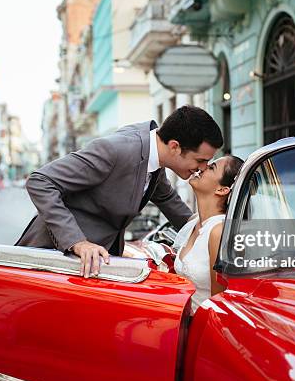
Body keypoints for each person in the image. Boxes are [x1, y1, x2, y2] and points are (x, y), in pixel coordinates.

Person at [16, 105, 223, 278]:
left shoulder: (156, 157)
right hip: (53, 259)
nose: (203, 168)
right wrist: (77, 242)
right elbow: (40, 181)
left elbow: (170, 201)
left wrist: (207, 236)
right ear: (175, 147)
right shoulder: (116, 150)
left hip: (93, 264)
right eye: (200, 160)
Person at [173, 154, 244, 313]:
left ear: (222, 189)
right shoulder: (194, 222)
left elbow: (218, 305)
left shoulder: (218, 232)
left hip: (203, 326)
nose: (202, 167)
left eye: (211, 167)